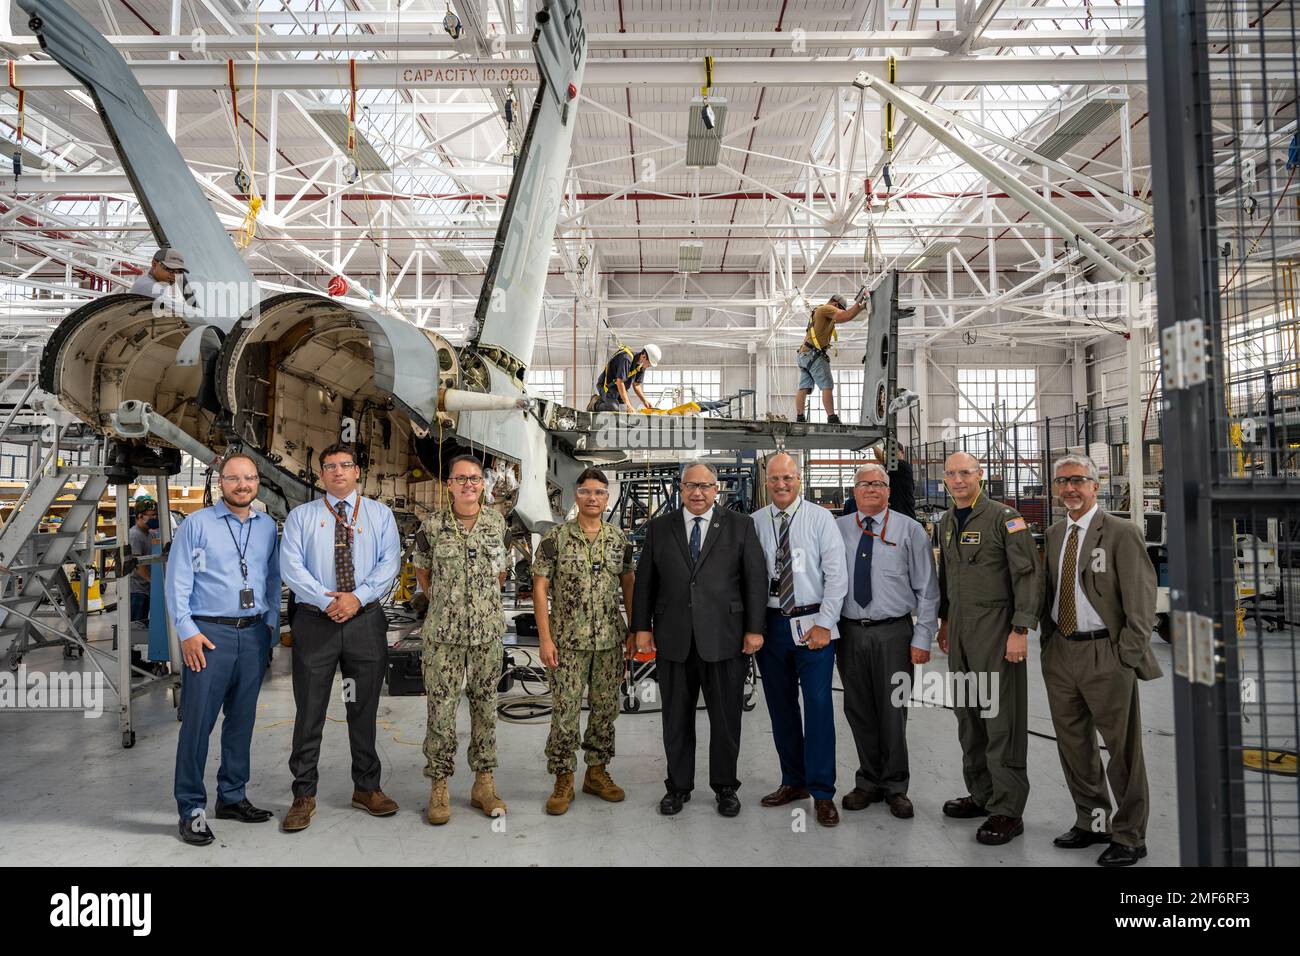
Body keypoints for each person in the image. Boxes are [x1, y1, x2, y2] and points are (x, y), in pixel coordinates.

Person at [1041, 455, 1161, 867]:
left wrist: (1125, 654)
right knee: (1075, 746)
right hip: (1062, 651)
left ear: (1095, 485)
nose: (1070, 489)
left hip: (1105, 653)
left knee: (1122, 749)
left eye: (1078, 480)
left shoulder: (1122, 533)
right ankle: (1092, 822)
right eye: (1062, 482)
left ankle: (1130, 835)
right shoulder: (1056, 533)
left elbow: (1142, 601)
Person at [631, 462, 768, 817]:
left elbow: (755, 580)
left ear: (716, 489)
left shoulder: (740, 526)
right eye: (691, 485)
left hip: (725, 639)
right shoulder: (660, 529)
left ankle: (725, 787)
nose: (697, 493)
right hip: (674, 638)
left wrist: (755, 629)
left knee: (726, 720)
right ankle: (678, 786)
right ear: (680, 488)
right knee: (675, 718)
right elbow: (645, 581)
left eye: (705, 486)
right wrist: (641, 627)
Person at [279, 442, 402, 832]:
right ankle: (303, 794)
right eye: (329, 466)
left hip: (364, 623)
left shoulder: (380, 516)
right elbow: (291, 567)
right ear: (321, 474)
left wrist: (356, 599)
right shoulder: (301, 517)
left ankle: (367, 787)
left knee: (361, 708)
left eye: (345, 465)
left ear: (357, 471)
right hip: (316, 623)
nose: (337, 472)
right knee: (309, 710)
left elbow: (390, 563)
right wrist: (326, 600)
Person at [167, 453, 279, 846]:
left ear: (258, 482)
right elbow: (176, 581)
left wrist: (271, 626)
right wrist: (187, 631)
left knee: (241, 722)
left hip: (252, 635)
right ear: (221, 483)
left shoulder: (267, 527)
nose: (242, 485)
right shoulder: (196, 525)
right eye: (234, 478)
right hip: (208, 635)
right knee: (198, 724)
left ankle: (231, 797)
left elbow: (271, 579)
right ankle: (191, 807)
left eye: (249, 478)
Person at [935, 451, 1042, 846]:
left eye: (965, 473)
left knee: (1001, 721)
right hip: (961, 634)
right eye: (952, 474)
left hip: (998, 633)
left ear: (980, 475)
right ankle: (982, 795)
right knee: (968, 718)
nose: (958, 480)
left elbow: (1028, 574)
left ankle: (1008, 810)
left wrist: (1021, 629)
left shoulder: (1004, 517)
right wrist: (946, 624)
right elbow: (947, 577)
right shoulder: (946, 521)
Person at [412, 454, 511, 824]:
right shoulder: (433, 526)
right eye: (460, 478)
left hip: (486, 634)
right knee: (441, 710)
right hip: (443, 636)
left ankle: (483, 783)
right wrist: (446, 600)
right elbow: (422, 570)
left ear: (482, 484)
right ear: (449, 485)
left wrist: (479, 602)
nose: (468, 484)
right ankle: (439, 785)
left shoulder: (496, 523)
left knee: (486, 707)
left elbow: (501, 572)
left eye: (474, 478)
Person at [835, 463, 938, 820]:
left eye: (879, 484)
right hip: (849, 632)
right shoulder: (838, 529)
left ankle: (896, 786)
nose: (871, 489)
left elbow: (927, 589)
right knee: (858, 709)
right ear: (854, 491)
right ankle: (868, 782)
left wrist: (923, 637)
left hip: (894, 632)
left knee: (893, 711)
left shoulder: (911, 531)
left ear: (889, 491)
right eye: (864, 484)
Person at [531, 467, 636, 815]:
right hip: (567, 643)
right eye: (586, 491)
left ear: (607, 499)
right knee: (565, 712)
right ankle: (563, 778)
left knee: (606, 709)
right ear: (576, 496)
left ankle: (596, 772)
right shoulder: (556, 539)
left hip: (608, 642)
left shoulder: (619, 540)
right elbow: (540, 587)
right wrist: (545, 639)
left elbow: (628, 584)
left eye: (599, 492)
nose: (593, 498)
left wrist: (634, 629)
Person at [751, 452, 847, 827]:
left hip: (813, 623)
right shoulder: (755, 522)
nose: (781, 485)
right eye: (774, 479)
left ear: (799, 478)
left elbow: (837, 577)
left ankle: (823, 792)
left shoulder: (822, 519)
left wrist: (825, 623)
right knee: (780, 705)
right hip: (772, 624)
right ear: (766, 482)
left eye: (788, 478)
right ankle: (794, 781)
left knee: (819, 706)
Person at [795, 288, 868, 424]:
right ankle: (832, 417)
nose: (838, 312)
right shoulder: (827, 309)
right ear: (835, 304)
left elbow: (849, 316)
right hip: (813, 355)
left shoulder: (819, 311)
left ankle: (800, 417)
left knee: (804, 387)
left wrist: (861, 308)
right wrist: (859, 304)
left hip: (803, 354)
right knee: (827, 386)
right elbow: (846, 316)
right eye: (839, 309)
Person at [588, 343, 661, 412]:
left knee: (625, 410)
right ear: (644, 356)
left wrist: (644, 401)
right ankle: (595, 403)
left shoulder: (641, 366)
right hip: (607, 386)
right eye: (649, 363)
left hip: (619, 388)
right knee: (614, 408)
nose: (649, 366)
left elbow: (636, 385)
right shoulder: (626, 359)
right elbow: (620, 382)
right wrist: (628, 404)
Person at [128, 501, 157, 625]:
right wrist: (153, 581)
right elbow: (138, 564)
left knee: (144, 623)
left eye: (156, 515)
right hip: (136, 590)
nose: (154, 518)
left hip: (146, 588)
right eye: (151, 515)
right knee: (136, 626)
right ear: (140, 516)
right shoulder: (135, 535)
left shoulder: (151, 534)